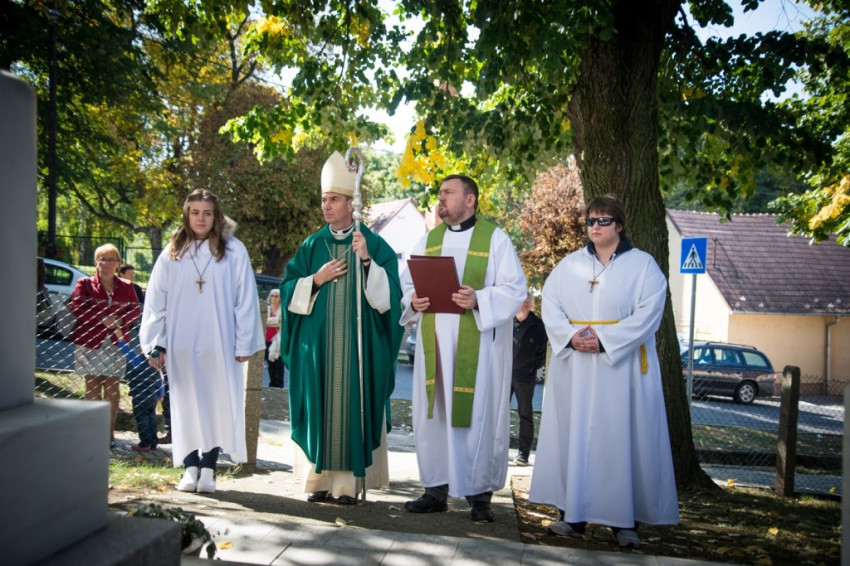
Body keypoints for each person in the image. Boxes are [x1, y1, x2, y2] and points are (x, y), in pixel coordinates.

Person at [528, 194, 679, 549]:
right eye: (591, 221)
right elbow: (550, 304)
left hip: (622, 370)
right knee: (575, 436)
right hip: (576, 367)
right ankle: (572, 517)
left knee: (621, 439)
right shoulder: (570, 265)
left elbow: (649, 313)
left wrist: (606, 340)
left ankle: (624, 523)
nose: (595, 227)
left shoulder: (643, 266)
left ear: (620, 225)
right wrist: (570, 336)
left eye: (603, 220)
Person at [400, 174, 526, 523]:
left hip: (478, 349)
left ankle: (479, 495)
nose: (441, 198)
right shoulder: (429, 240)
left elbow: (515, 289)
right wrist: (413, 299)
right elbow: (407, 284)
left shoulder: (495, 239)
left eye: (448, 193)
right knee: (435, 416)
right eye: (440, 193)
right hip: (435, 346)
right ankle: (434, 491)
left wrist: (480, 298)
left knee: (475, 416)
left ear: (470, 200)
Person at [279, 151, 403, 505]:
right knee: (320, 408)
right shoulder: (312, 245)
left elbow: (392, 299)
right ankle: (319, 481)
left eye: (334, 199)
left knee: (350, 407)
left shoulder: (374, 245)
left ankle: (347, 486)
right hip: (318, 350)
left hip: (357, 350)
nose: (326, 206)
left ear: (352, 204)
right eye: (324, 199)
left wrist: (366, 262)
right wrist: (314, 280)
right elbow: (287, 290)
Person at [140, 189, 264, 494]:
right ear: (187, 214)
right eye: (195, 212)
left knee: (215, 404)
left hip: (219, 342)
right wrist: (157, 342)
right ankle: (189, 467)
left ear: (216, 216)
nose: (201, 219)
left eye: (207, 213)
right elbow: (156, 300)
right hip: (180, 342)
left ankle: (209, 468)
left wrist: (244, 343)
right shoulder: (173, 251)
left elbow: (245, 299)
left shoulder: (233, 250)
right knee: (185, 404)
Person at [69, 243, 141, 447]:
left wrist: (120, 321)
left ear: (118, 263)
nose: (107, 263)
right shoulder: (85, 284)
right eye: (102, 259)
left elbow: (135, 309)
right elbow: (77, 306)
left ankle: (108, 434)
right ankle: (91, 433)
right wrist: (102, 318)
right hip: (90, 342)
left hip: (117, 344)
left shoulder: (127, 286)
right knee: (92, 387)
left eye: (111, 259)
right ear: (96, 262)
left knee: (112, 389)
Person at [111, 324, 163, 452]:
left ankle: (145, 443)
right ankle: (153, 442)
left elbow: (127, 351)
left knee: (142, 418)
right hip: (152, 396)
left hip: (140, 396)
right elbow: (160, 381)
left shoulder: (139, 361)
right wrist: (160, 394)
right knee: (151, 418)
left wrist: (120, 338)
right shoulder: (156, 364)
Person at [510, 291, 547, 466]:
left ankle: (523, 455)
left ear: (529, 305)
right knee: (498, 412)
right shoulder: (508, 321)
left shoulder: (539, 326)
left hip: (525, 376)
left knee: (525, 414)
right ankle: (495, 449)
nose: (517, 304)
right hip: (505, 374)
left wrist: (532, 368)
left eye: (521, 301)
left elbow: (543, 352)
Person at [265, 289, 285, 388]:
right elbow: (263, 321)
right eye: (272, 296)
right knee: (270, 364)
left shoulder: (283, 310)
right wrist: (276, 321)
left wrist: (269, 321)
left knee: (278, 364)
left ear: (280, 298)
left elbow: (282, 322)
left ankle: (279, 386)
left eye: (276, 296)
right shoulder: (266, 309)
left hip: (278, 340)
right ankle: (272, 385)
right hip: (267, 339)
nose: (273, 298)